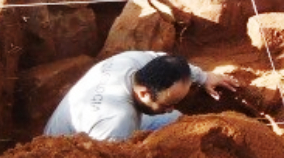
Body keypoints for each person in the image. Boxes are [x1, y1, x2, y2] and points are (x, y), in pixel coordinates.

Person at [44, 51, 240, 142]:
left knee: (175, 120)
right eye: (167, 104)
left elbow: (169, 63)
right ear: (144, 93)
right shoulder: (117, 123)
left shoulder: (133, 62)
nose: (170, 107)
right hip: (66, 150)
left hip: (92, 123)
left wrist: (204, 77)